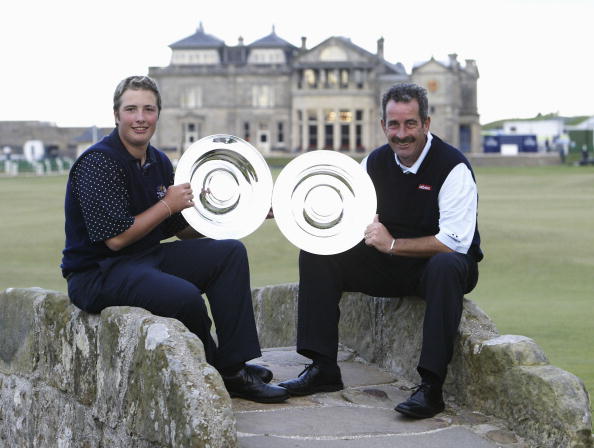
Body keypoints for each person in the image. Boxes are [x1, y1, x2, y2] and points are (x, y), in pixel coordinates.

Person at [61, 75, 288, 404]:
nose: (141, 117)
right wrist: (167, 203)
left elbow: (182, 229)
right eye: (131, 109)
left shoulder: (159, 161)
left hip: (144, 259)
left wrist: (246, 212)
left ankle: (235, 364)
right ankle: (227, 373)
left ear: (158, 114)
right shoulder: (98, 162)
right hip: (97, 273)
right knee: (183, 297)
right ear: (116, 115)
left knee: (229, 253)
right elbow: (116, 239)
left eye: (149, 109)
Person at [278, 83, 483, 418]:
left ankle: (431, 388)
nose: (401, 134)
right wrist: (288, 208)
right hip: (388, 263)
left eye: (410, 124)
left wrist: (391, 244)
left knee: (446, 267)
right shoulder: (372, 163)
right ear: (383, 124)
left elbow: (453, 242)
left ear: (426, 124)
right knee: (317, 251)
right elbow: (343, 214)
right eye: (393, 124)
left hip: (438, 265)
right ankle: (323, 368)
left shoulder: (453, 167)